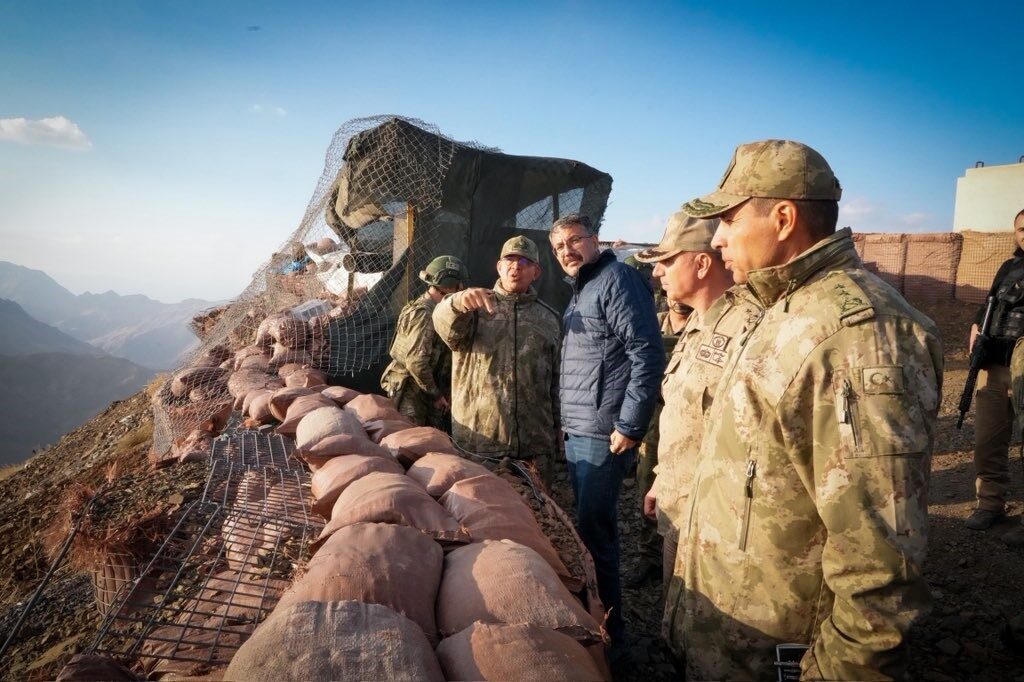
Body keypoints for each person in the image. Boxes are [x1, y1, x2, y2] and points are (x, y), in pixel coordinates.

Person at [674, 139, 942, 680]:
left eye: (728, 218)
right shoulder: (781, 308)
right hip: (735, 637)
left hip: (783, 653)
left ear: (783, 217)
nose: (719, 236)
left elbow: (880, 565)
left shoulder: (858, 335)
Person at [549, 213, 665, 662]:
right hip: (582, 428)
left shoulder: (617, 280)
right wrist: (567, 421)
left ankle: (613, 638)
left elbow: (646, 353)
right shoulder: (582, 289)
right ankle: (599, 616)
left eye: (574, 241)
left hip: (606, 432)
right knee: (589, 527)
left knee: (596, 531)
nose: (567, 251)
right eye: (559, 247)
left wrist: (631, 425)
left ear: (594, 240)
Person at [632, 212, 739, 601]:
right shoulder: (698, 329)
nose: (658, 272)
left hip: (717, 522)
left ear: (702, 262)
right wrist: (664, 478)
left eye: (667, 260)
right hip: (680, 504)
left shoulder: (748, 329)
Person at [433, 236, 561, 485]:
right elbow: (443, 323)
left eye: (525, 261)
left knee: (537, 513)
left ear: (536, 272)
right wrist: (456, 302)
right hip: (480, 443)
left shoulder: (548, 318)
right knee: (480, 512)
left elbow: (556, 378)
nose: (516, 267)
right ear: (499, 267)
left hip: (534, 443)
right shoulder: (473, 307)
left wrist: (558, 425)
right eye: (509, 260)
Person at [624, 252, 688, 588]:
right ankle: (649, 556)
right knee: (648, 490)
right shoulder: (654, 322)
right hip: (654, 422)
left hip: (687, 423)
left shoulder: (704, 327)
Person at [965, 208, 1024, 537]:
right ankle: (989, 503)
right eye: (1020, 229)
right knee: (987, 441)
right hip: (995, 365)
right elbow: (989, 304)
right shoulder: (1009, 267)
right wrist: (975, 327)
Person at [380, 255, 467, 429]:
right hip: (411, 392)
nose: (462, 289)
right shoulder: (426, 314)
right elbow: (416, 362)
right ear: (449, 286)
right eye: (459, 285)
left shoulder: (424, 307)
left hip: (419, 389)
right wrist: (436, 395)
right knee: (409, 444)